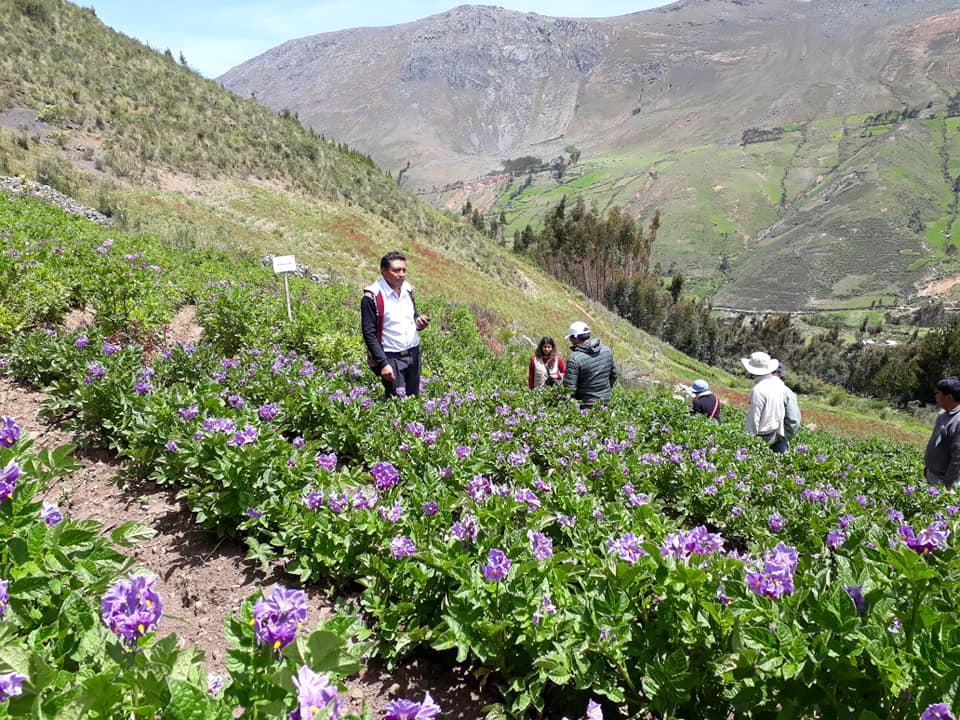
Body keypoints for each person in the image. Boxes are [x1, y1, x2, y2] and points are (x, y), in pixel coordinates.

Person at [361, 251, 430, 398]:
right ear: (384, 271)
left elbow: (412, 316)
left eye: (404, 270)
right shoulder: (372, 297)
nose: (402, 274)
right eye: (396, 270)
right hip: (392, 358)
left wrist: (419, 322)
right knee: (397, 404)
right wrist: (383, 364)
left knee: (413, 401)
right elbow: (369, 334)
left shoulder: (407, 289)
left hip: (413, 354)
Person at [562, 321, 617, 410]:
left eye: (571, 338)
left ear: (575, 338)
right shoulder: (607, 351)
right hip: (605, 403)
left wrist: (566, 407)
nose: (570, 341)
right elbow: (613, 375)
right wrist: (604, 392)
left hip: (586, 406)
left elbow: (569, 389)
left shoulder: (574, 358)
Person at [742, 351, 788, 453]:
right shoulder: (778, 385)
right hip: (774, 434)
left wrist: (748, 441)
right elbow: (781, 413)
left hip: (761, 436)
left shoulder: (758, 390)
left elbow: (754, 419)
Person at [924, 377, 960, 489]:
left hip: (944, 481)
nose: (936, 396)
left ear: (949, 397)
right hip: (932, 474)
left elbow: (958, 458)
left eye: (939, 393)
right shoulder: (943, 414)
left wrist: (948, 484)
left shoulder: (958, 421)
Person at [773, 361, 801, 449]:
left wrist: (780, 438)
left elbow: (793, 421)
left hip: (778, 444)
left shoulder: (787, 393)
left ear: (778, 373)